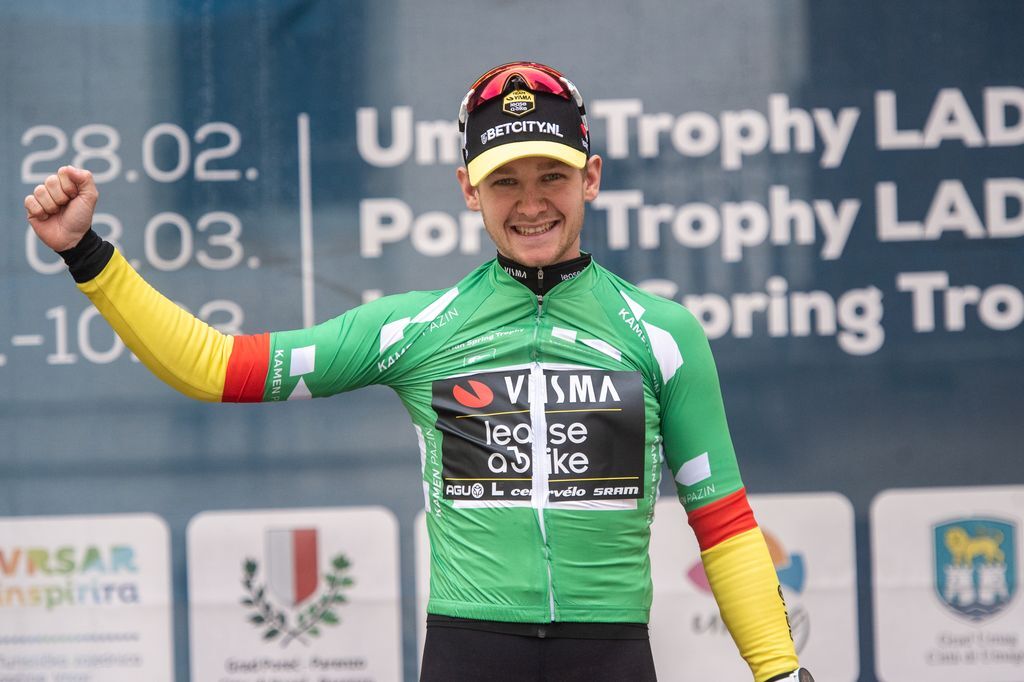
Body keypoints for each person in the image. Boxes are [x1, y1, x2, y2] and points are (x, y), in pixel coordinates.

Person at [24, 61, 813, 682]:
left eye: (551, 175)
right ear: (468, 190)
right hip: (470, 651)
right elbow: (213, 366)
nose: (530, 203)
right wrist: (87, 255)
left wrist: (778, 671)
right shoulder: (418, 329)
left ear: (591, 178)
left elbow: (723, 522)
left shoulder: (664, 334)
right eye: (504, 180)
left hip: (611, 654)